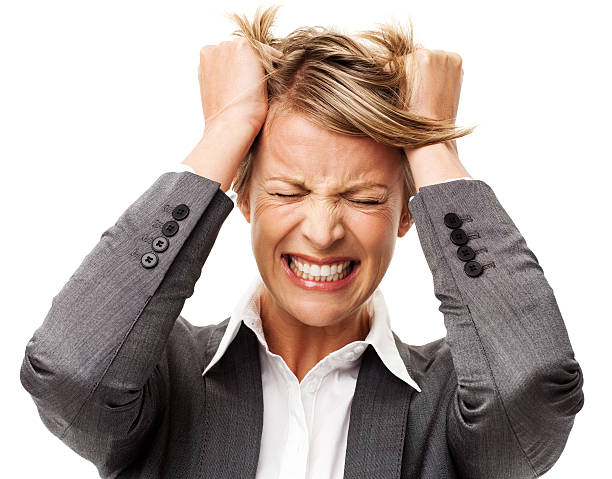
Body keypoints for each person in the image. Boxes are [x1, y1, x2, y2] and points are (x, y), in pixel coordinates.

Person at [19, 5, 584, 478]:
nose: (322, 231)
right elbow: (70, 373)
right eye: (288, 192)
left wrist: (431, 143)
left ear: (411, 215)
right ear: (242, 198)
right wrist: (228, 127)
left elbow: (533, 393)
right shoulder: (162, 379)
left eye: (364, 199)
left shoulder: (449, 406)